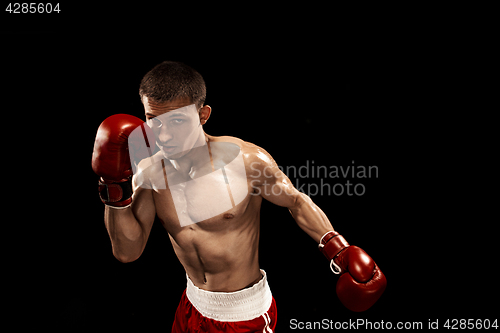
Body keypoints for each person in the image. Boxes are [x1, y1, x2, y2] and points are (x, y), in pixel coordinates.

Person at [91, 61, 386, 332]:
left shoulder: (245, 162)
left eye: (177, 121)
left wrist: (337, 248)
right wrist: (113, 187)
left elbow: (295, 201)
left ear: (202, 115)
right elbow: (127, 252)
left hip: (243, 315)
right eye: (154, 120)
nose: (164, 135)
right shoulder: (149, 172)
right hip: (191, 304)